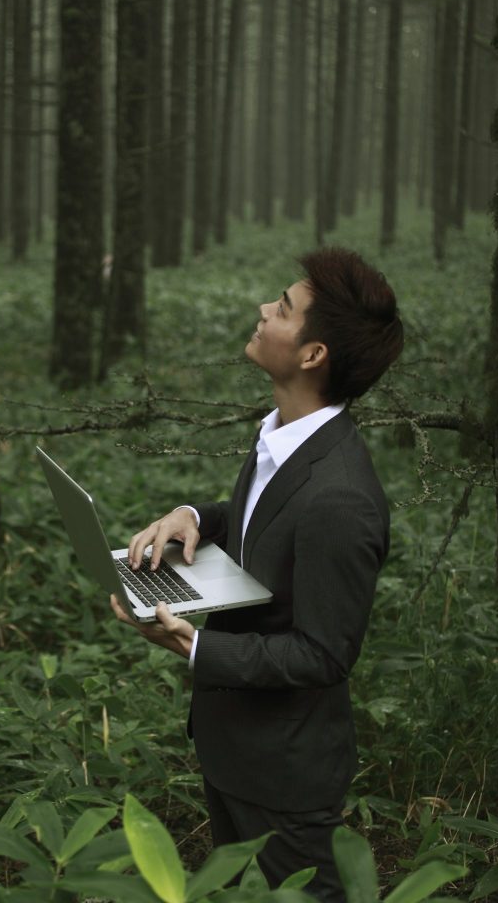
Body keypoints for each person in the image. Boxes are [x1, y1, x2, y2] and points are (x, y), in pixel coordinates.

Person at [112, 246, 403, 901]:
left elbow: (323, 654)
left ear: (312, 354)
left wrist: (196, 647)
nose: (263, 308)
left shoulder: (341, 499)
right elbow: (266, 519)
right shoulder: (287, 435)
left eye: (284, 307)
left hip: (285, 775)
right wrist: (195, 517)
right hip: (238, 748)